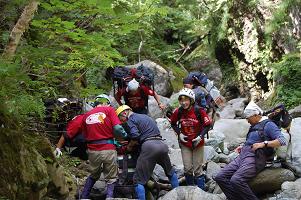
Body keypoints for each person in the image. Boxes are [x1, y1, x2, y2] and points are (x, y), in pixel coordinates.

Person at [214, 101, 287, 200]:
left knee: (236, 179)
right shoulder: (254, 126)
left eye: (248, 118)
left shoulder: (269, 125)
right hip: (243, 155)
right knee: (220, 177)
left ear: (256, 115)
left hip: (255, 157)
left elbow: (282, 141)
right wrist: (243, 146)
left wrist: (263, 144)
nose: (247, 121)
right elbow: (251, 141)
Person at [115, 105, 179, 200]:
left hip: (149, 147)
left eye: (121, 119)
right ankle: (179, 195)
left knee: (138, 180)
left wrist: (129, 146)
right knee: (170, 172)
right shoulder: (145, 116)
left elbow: (135, 136)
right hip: (162, 145)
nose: (122, 121)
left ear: (124, 113)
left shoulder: (131, 119)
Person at [79, 94, 128, 199]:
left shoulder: (86, 115)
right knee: (111, 176)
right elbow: (118, 129)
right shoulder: (109, 110)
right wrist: (124, 136)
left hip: (92, 151)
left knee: (93, 174)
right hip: (108, 149)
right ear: (106, 102)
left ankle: (84, 196)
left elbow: (84, 135)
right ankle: (109, 197)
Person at [169, 88, 212, 190]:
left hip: (198, 142)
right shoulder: (178, 112)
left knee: (197, 169)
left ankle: (200, 191)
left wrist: (200, 136)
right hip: (185, 143)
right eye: (181, 100)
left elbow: (207, 125)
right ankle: (190, 189)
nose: (184, 103)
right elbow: (173, 123)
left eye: (186, 100)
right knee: (187, 168)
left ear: (191, 100)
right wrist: (179, 134)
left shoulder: (199, 111)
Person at [53, 94, 112, 160]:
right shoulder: (82, 118)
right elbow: (66, 134)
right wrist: (58, 148)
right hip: (74, 145)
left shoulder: (105, 120)